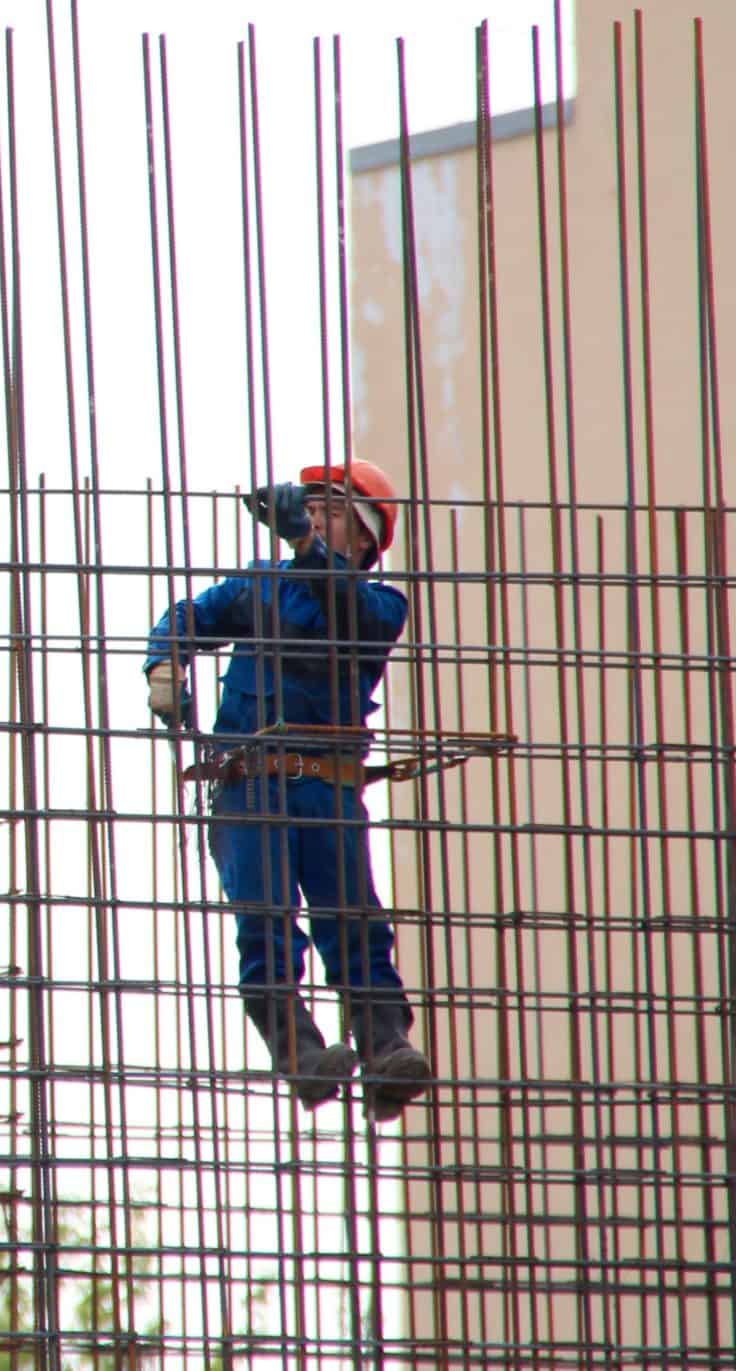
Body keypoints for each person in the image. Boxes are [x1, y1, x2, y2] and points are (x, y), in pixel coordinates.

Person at [143, 458, 432, 1119]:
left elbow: (345, 604)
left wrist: (305, 543)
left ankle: (386, 1048)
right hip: (251, 786)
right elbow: (190, 613)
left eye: (330, 510)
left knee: (353, 921)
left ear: (364, 537)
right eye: (310, 508)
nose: (313, 518)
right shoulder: (260, 586)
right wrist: (166, 660)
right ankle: (300, 1054)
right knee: (266, 925)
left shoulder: (380, 603)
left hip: (325, 786)